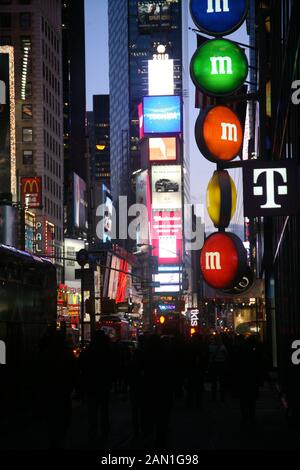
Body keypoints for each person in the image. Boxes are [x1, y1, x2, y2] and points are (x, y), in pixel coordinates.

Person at [208, 334, 228, 401]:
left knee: (214, 381)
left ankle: (213, 396)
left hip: (213, 364)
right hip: (221, 364)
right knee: (222, 381)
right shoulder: (222, 347)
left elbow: (208, 355)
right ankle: (222, 396)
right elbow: (226, 356)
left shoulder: (210, 346)